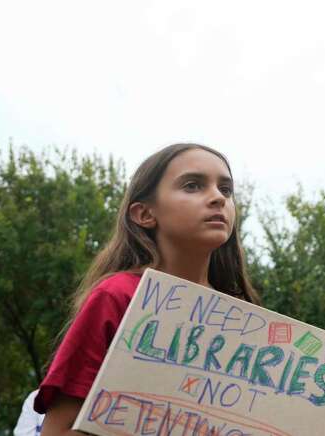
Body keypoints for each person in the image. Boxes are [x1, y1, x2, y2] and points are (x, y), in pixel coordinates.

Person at [35, 143, 261, 435]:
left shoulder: (247, 323)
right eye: (193, 185)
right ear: (144, 214)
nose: (218, 197)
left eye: (226, 190)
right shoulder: (117, 296)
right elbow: (58, 430)